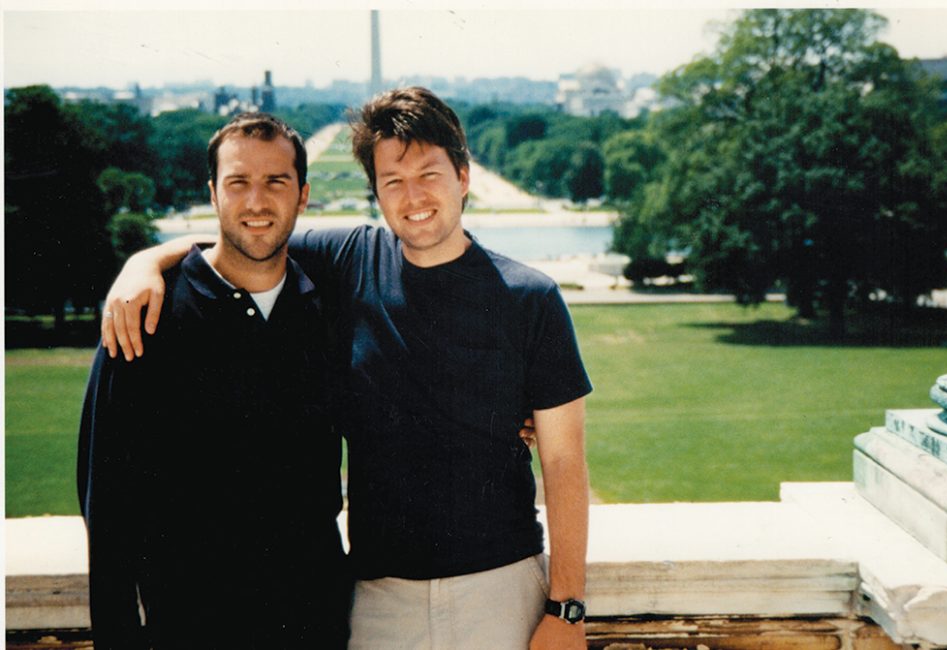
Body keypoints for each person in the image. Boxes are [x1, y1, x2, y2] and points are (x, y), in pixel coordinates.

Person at [102, 87, 592, 650]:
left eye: (429, 175)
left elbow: (563, 461)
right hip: (380, 602)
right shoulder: (351, 259)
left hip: (501, 588)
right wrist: (144, 262)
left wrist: (567, 608)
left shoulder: (530, 297)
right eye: (393, 181)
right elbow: (252, 231)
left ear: (463, 176)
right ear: (376, 194)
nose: (413, 197)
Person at [78, 112, 350, 649]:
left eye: (276, 182)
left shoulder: (330, 307)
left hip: (313, 627)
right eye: (238, 182)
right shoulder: (146, 316)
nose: (256, 202)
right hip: (191, 628)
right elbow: (107, 508)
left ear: (303, 195)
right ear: (213, 193)